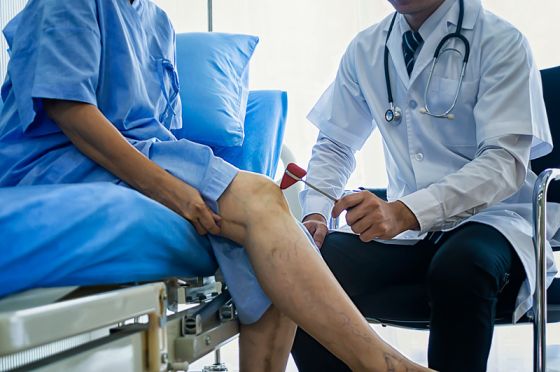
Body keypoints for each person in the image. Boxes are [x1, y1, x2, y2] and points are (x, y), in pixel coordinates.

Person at [0, 0, 436, 371]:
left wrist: (189, 178)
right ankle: (386, 365)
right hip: (59, 161)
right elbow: (68, 108)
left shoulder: (156, 23)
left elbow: (161, 131)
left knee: (279, 248)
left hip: (143, 159)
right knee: (264, 201)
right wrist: (169, 189)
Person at [291, 0, 559, 371]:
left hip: (495, 223)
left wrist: (406, 211)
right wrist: (316, 214)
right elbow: (336, 144)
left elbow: (503, 164)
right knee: (301, 263)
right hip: (409, 235)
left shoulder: (501, 42)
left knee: (460, 266)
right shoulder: (368, 48)